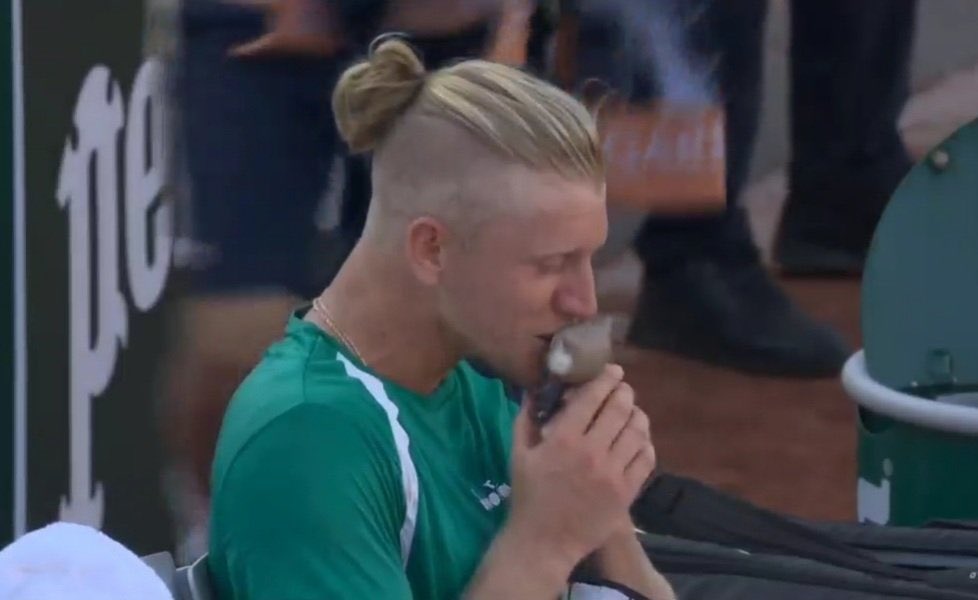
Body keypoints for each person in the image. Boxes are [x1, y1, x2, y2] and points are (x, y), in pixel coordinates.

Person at [207, 37, 675, 599]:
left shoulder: (477, 367)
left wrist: (604, 512)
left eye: (589, 259)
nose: (584, 303)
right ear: (432, 250)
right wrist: (547, 539)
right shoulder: (307, 442)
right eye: (552, 265)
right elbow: (543, 547)